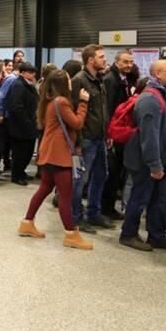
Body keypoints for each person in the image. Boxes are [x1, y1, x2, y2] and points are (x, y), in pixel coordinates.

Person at [19, 70, 91, 249]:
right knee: (65, 195)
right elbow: (77, 123)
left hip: (49, 152)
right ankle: (71, 234)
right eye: (68, 79)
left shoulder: (50, 101)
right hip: (59, 155)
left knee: (45, 188)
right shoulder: (61, 102)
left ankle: (27, 223)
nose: (71, 81)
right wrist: (84, 103)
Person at [119, 60, 166, 252]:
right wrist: (154, 165)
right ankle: (128, 234)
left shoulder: (165, 96)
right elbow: (149, 136)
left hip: (162, 161)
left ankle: (156, 236)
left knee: (158, 201)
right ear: (158, 74)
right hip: (147, 162)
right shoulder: (150, 99)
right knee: (139, 199)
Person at [71, 45, 113, 233]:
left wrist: (107, 133)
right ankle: (76, 217)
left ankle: (94, 213)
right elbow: (74, 112)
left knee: (101, 175)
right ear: (90, 60)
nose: (105, 59)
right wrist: (77, 142)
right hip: (86, 139)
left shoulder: (99, 79)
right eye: (101, 56)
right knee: (80, 180)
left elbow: (102, 110)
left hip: (100, 138)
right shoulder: (79, 80)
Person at [103, 50, 137, 220]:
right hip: (114, 133)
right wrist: (108, 134)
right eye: (125, 62)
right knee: (112, 172)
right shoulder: (111, 80)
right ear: (117, 62)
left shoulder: (125, 79)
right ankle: (105, 208)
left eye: (131, 62)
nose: (129, 65)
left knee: (117, 173)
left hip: (121, 131)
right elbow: (108, 107)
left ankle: (108, 206)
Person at [6, 62, 39, 186]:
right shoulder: (18, 85)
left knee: (27, 152)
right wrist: (27, 122)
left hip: (29, 124)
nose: (33, 74)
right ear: (23, 73)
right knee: (20, 153)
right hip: (21, 126)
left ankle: (21, 172)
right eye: (30, 72)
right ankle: (16, 175)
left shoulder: (28, 84)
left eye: (33, 72)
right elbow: (16, 107)